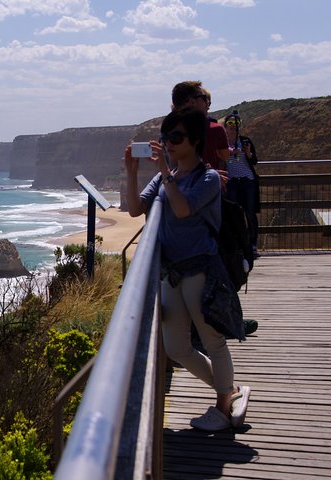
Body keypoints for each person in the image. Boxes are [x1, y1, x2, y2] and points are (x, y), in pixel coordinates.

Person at [124, 107, 250, 431]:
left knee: (212, 341)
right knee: (177, 346)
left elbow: (182, 210)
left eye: (176, 137)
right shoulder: (164, 177)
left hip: (200, 272)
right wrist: (131, 171)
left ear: (195, 141)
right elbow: (135, 209)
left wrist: (166, 170)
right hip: (172, 273)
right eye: (166, 138)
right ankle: (229, 390)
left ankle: (223, 408)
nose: (169, 143)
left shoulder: (206, 178)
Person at [223, 113, 260, 256]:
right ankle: (238, 244)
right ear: (225, 127)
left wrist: (249, 153)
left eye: (235, 126)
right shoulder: (223, 143)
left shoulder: (245, 141)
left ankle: (252, 244)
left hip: (247, 181)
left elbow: (254, 161)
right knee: (235, 214)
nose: (232, 129)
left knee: (250, 213)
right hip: (232, 182)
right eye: (229, 126)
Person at [171, 81, 229, 172]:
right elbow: (225, 156)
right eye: (204, 98)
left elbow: (171, 167)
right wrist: (209, 175)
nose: (207, 103)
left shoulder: (169, 130)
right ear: (192, 102)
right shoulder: (215, 129)